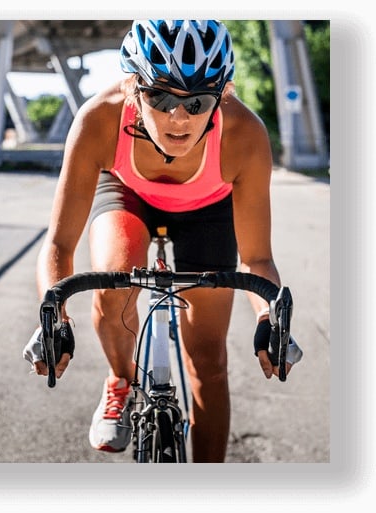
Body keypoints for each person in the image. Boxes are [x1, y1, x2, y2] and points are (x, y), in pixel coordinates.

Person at [23, 19, 301, 462]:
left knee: (208, 363)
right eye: (160, 95)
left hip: (207, 210)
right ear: (133, 86)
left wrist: (271, 316)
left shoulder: (244, 135)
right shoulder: (98, 118)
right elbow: (59, 245)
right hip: (126, 194)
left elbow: (257, 257)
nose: (178, 116)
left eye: (197, 101)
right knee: (115, 276)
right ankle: (118, 377)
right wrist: (54, 316)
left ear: (223, 95)